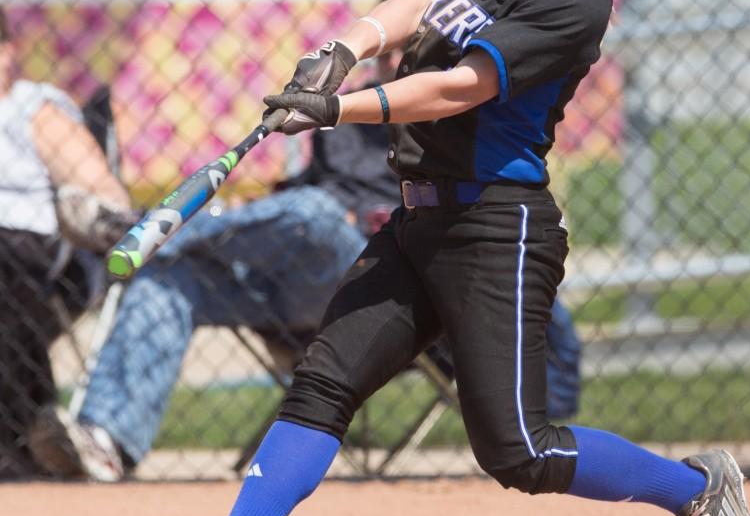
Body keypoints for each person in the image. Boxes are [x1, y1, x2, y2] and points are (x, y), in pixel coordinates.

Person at [164, 0, 750, 516]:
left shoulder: (576, 2)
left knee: (518, 450)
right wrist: (342, 51)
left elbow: (457, 89)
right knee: (324, 380)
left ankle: (694, 488)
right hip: (418, 220)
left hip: (496, 228)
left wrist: (338, 109)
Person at [30, 47, 586, 481]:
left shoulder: (466, 128)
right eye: (393, 57)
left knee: (316, 213)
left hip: (380, 283)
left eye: (416, 57)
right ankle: (106, 442)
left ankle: (146, 231)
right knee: (174, 280)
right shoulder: (348, 122)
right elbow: (304, 190)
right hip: (296, 286)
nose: (395, 68)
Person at [0, 6, 135, 478]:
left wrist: (93, 211)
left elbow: (108, 196)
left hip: (38, 258)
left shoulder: (30, 109)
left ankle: (18, 442)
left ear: (9, 52)